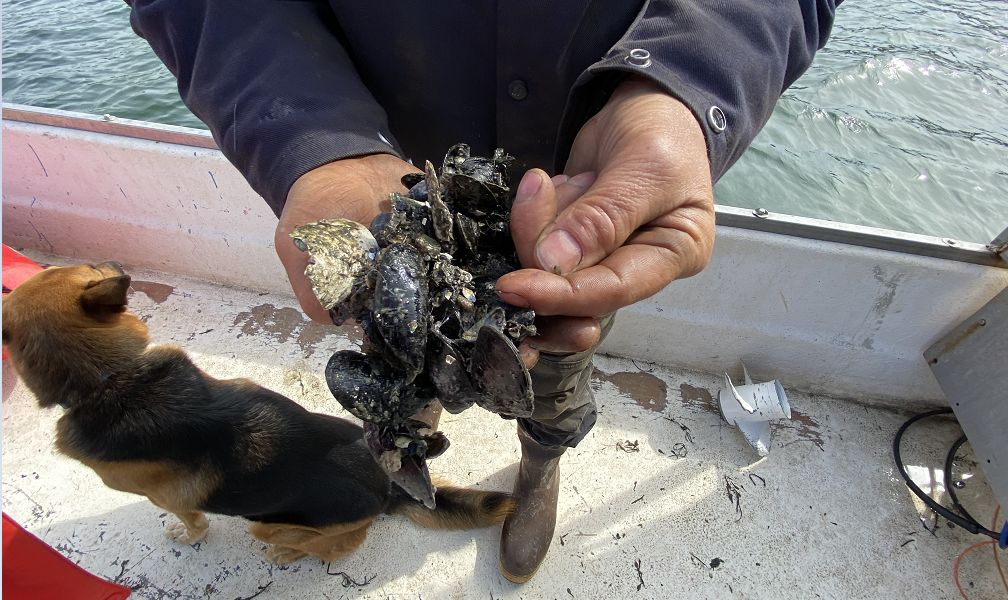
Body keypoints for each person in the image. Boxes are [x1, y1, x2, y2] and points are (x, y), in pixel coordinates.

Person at [127, 0, 840, 583]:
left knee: (554, 365)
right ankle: (411, 431)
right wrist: (313, 142)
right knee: (408, 362)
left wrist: (684, 91)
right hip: (387, 167)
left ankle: (540, 465)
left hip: (581, 199)